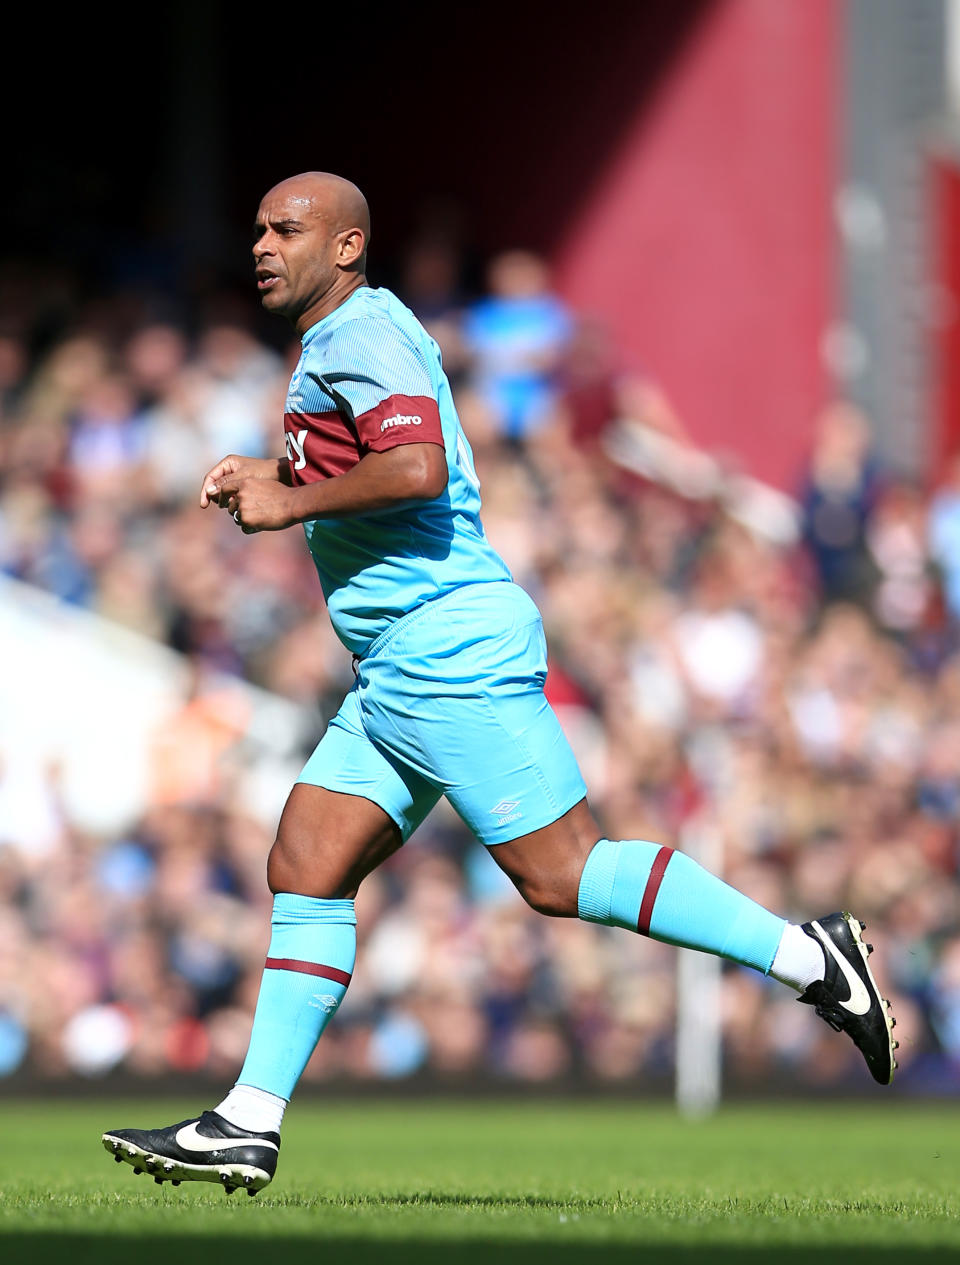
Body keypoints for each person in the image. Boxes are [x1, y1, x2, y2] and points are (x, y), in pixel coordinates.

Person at [102, 173, 898, 1196]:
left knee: (560, 874)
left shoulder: (362, 334)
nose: (263, 244)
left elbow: (417, 468)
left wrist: (287, 499)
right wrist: (273, 470)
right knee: (306, 855)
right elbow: (374, 463)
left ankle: (812, 956)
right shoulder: (339, 341)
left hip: (445, 652)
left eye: (287, 229)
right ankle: (247, 1120)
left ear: (346, 247)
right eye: (258, 227)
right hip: (397, 665)